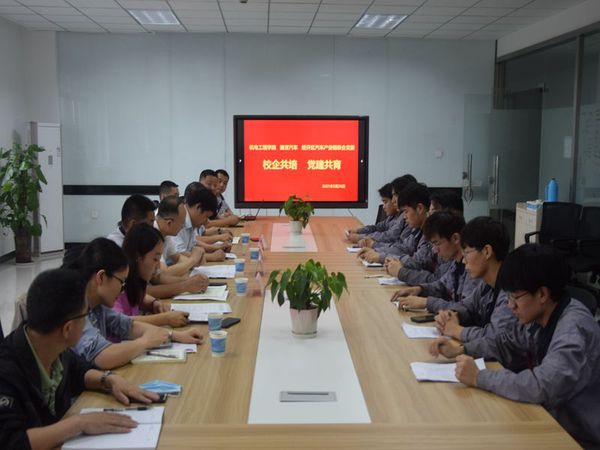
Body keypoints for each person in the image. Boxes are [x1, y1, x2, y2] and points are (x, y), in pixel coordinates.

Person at [430, 244, 600, 448]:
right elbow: (506, 342)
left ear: (542, 294)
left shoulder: (573, 328)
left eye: (515, 297)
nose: (510, 305)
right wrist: (461, 350)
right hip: (551, 420)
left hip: (579, 437)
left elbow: (541, 385)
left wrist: (478, 377)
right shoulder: (543, 315)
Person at [0, 268, 159, 450]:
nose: (87, 324)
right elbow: (11, 442)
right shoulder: (6, 371)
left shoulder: (52, 346)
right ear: (67, 329)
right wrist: (79, 423)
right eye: (85, 317)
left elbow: (79, 371)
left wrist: (109, 380)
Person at [65, 238, 203, 369]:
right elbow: (102, 356)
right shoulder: (75, 308)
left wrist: (174, 335)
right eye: (121, 282)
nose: (122, 290)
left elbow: (127, 325)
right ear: (101, 277)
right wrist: (145, 342)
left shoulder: (97, 305)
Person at [433, 216, 518, 347]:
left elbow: (495, 338)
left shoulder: (511, 289)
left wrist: (456, 330)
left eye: (467, 253)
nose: (463, 260)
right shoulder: (487, 284)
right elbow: (468, 306)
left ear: (487, 251)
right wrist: (453, 315)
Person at [392, 210, 482, 312]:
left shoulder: (473, 268)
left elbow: (465, 309)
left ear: (455, 238)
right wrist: (419, 289)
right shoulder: (456, 263)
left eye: (437, 243)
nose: (435, 250)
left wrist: (426, 302)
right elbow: (442, 286)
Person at [115, 223, 191, 328]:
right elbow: (118, 321)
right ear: (138, 256)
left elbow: (140, 296)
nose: (158, 266)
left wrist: (154, 303)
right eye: (155, 259)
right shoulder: (117, 284)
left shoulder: (135, 281)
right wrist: (165, 319)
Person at [362, 183, 435, 276]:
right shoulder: (417, 229)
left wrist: (381, 257)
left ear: (419, 208)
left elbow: (418, 261)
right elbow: (404, 248)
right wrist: (377, 252)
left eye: (406, 211)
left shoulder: (432, 232)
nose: (404, 217)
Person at [173, 182, 229, 262]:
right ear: (198, 207)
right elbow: (179, 254)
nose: (206, 221)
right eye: (206, 217)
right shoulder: (178, 218)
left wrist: (215, 248)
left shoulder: (191, 220)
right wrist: (211, 257)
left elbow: (194, 244)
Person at [155, 195, 205, 276]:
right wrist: (193, 260)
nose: (183, 227)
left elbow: (177, 257)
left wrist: (194, 262)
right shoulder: (152, 234)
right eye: (182, 223)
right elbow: (163, 273)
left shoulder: (165, 233)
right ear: (169, 223)